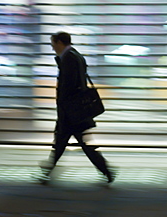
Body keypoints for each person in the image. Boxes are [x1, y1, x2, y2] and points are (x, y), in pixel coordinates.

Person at [39, 31, 114, 184]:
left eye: (53, 44)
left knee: (67, 143)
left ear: (60, 42)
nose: (52, 48)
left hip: (71, 112)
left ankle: (106, 170)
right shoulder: (75, 55)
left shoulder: (69, 58)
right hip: (74, 111)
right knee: (64, 143)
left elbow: (68, 85)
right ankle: (48, 171)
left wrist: (64, 108)